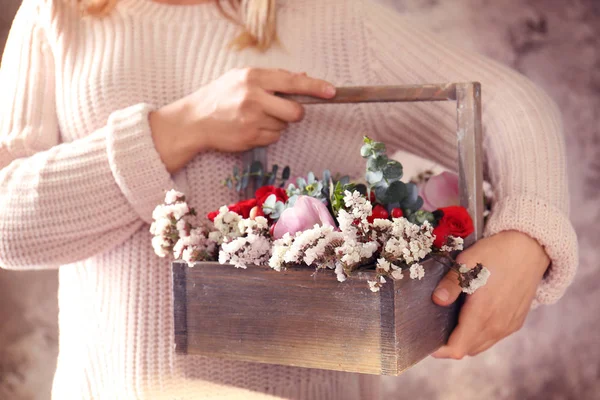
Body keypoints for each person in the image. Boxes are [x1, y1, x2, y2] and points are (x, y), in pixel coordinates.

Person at [0, 0, 578, 398]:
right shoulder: (58, 15)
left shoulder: (329, 20)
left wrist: (529, 235)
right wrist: (178, 129)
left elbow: (512, 105)